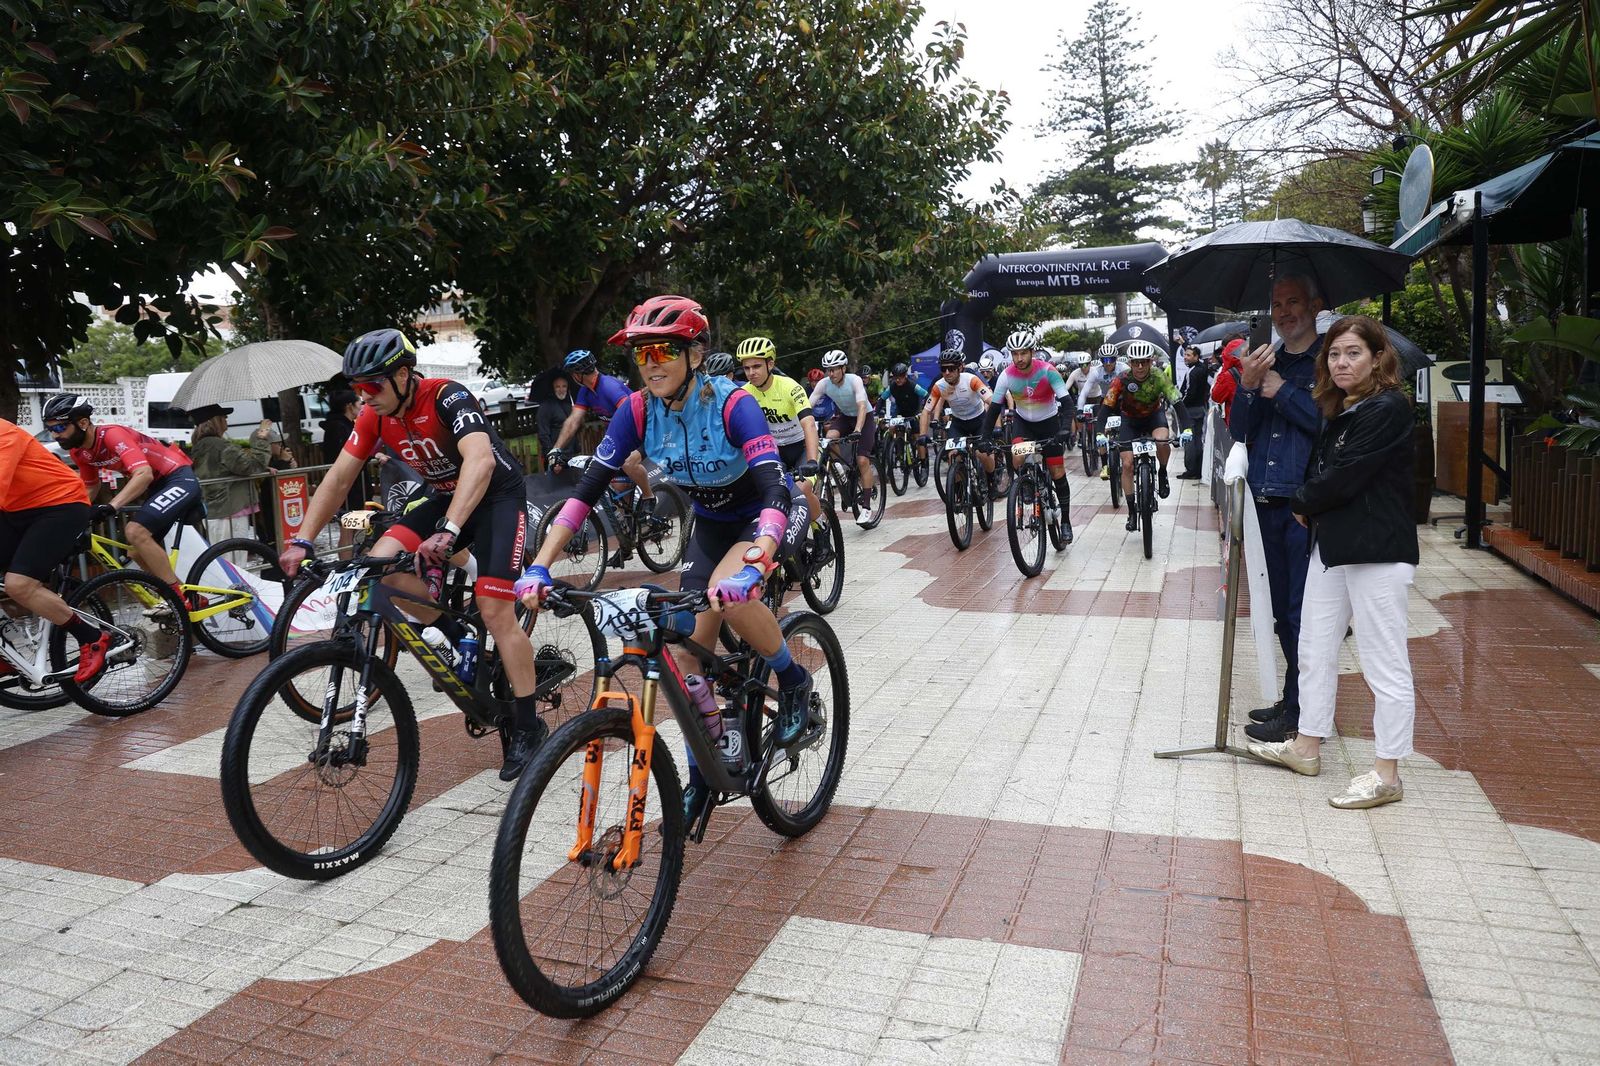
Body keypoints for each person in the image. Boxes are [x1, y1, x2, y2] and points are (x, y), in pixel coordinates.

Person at [516, 294, 811, 822]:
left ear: (694, 354)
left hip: (762, 514)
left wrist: (756, 560)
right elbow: (584, 493)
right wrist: (541, 565)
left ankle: (793, 681)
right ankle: (709, 770)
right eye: (641, 353)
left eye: (662, 351)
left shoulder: (732, 403)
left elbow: (771, 488)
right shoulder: (634, 411)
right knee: (684, 656)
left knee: (732, 600)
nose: (650, 363)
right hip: (712, 523)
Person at [276, 328, 548, 782]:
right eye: (358, 389)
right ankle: (453, 629)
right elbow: (341, 477)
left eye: (373, 386)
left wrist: (449, 531)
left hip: (496, 498)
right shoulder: (374, 417)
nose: (365, 397)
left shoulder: (446, 396)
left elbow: (479, 463)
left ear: (403, 375)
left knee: (496, 609)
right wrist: (302, 539)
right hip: (443, 495)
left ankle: (527, 723)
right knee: (379, 568)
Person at [1246, 315, 1418, 809]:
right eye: (1336, 354)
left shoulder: (1386, 408)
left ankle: (1388, 772)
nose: (1342, 363)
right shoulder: (1341, 406)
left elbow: (1345, 476)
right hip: (1332, 548)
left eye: (1354, 353)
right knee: (1313, 648)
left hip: (1377, 552)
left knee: (1384, 663)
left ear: (1378, 358)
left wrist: (1301, 500)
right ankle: (1306, 745)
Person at [1230, 274, 1325, 743]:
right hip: (1266, 497)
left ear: (1314, 304)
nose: (1285, 312)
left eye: (1294, 301)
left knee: (1301, 612)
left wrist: (1280, 389)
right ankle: (1295, 700)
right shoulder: (1266, 361)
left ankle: (1304, 713)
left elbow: (1329, 423)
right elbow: (1240, 430)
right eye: (1277, 304)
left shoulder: (1331, 361)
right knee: (1282, 613)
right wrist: (1248, 386)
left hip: (1306, 504)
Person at [44, 394, 206, 611]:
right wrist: (72, 514)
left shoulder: (112, 435)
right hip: (158, 486)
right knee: (136, 552)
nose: (56, 435)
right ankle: (189, 597)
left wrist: (112, 506)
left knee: (135, 531)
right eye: (51, 429)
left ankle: (177, 597)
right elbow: (90, 486)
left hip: (178, 477)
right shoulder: (79, 451)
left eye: (61, 427)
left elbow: (143, 473)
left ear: (82, 423)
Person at [0, 419, 112, 682]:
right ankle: (7, 651)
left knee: (20, 585)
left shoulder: (4, 434)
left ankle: (92, 638)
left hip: (60, 505)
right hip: (17, 511)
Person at [546, 348, 655, 566]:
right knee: (617, 488)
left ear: (579, 373)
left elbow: (632, 416)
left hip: (643, 430)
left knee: (627, 462)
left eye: (572, 373)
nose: (572, 378)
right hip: (619, 438)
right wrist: (556, 449)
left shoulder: (610, 387)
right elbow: (573, 421)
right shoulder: (586, 391)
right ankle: (627, 545)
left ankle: (648, 496)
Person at [982, 327, 1074, 543]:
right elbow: (995, 408)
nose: (1019, 358)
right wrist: (985, 437)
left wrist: (1065, 428)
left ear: (1032, 352)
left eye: (1023, 353)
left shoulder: (1048, 371)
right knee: (1017, 456)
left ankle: (1066, 521)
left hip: (1049, 424)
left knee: (1058, 472)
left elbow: (1067, 403)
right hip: (1024, 424)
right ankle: (1025, 485)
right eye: (1015, 354)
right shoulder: (1007, 375)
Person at [738, 336, 822, 522]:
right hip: (774, 450)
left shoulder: (790, 386)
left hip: (801, 447)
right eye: (746, 368)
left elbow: (808, 423)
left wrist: (811, 460)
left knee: (802, 490)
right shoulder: (743, 393)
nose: (751, 372)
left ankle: (821, 527)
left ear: (770, 364)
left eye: (756, 366)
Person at [1101, 339, 1180, 532]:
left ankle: (1161, 472)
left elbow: (1177, 402)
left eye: (1144, 362)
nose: (1140, 366)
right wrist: (1098, 433)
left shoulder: (1159, 376)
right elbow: (1106, 407)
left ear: (1151, 361)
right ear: (1129, 362)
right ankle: (1131, 511)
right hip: (1130, 420)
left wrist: (1186, 429)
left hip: (1154, 416)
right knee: (1127, 464)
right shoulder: (1121, 378)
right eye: (1135, 362)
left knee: (1162, 441)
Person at [188, 404, 270, 542]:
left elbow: (223, 470)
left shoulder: (201, 445)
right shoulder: (221, 446)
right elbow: (251, 467)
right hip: (229, 511)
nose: (227, 419)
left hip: (215, 510)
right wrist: (261, 438)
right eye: (223, 417)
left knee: (224, 559)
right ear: (215, 420)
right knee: (234, 559)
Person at [809, 350, 878, 510]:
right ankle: (840, 469)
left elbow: (862, 406)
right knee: (829, 437)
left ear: (843, 368)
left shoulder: (855, 381)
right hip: (846, 417)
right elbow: (807, 406)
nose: (830, 373)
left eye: (834, 369)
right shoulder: (824, 384)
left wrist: (858, 429)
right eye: (828, 370)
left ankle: (867, 506)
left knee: (862, 460)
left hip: (864, 417)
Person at [922, 349, 994, 480]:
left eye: (951, 368)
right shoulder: (939, 386)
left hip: (979, 420)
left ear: (960, 367)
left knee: (983, 454)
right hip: (959, 423)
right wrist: (923, 434)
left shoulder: (971, 380)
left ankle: (991, 479)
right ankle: (959, 491)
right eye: (943, 369)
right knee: (953, 456)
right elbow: (926, 411)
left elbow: (992, 402)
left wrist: (996, 426)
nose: (947, 372)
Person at [320, 390, 368, 546]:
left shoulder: (344, 425)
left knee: (355, 528)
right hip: (349, 487)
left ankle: (354, 561)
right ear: (349, 406)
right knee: (348, 529)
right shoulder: (339, 427)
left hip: (354, 485)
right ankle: (348, 564)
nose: (363, 406)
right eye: (360, 403)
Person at [1175, 346, 1210, 479]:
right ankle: (1198, 470)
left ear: (1196, 357)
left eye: (1189, 355)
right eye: (1185, 355)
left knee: (1189, 440)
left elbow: (1189, 392)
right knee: (1197, 440)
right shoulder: (1203, 368)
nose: (1185, 357)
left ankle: (1190, 470)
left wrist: (1180, 406)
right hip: (1200, 408)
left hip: (1190, 411)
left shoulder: (1192, 372)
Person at [535, 375, 573, 470]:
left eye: (564, 386)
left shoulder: (569, 403)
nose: (561, 389)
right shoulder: (546, 406)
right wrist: (552, 457)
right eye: (558, 386)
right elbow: (543, 434)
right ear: (553, 388)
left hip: (570, 454)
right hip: (555, 458)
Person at [1210, 337, 1246, 420]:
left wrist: (1225, 367)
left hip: (1235, 420)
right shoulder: (1259, 368)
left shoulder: (1228, 375)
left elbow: (1216, 397)